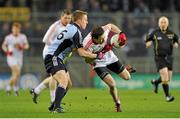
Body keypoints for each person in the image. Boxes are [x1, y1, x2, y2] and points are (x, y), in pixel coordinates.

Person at [44, 10, 104, 113]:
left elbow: (75, 48)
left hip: (56, 57)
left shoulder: (71, 28)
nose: (87, 22)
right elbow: (81, 53)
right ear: (80, 20)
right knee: (63, 81)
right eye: (85, 20)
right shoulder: (76, 32)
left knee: (68, 84)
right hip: (53, 57)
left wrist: (89, 55)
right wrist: (97, 55)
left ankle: (54, 105)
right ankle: (56, 108)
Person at [83, 24, 135, 112]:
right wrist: (96, 56)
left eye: (104, 37)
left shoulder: (104, 31)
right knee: (112, 84)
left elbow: (110, 25)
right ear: (95, 39)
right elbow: (87, 60)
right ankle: (117, 103)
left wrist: (121, 33)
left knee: (127, 77)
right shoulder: (87, 44)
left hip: (109, 56)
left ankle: (125, 70)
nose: (104, 40)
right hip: (98, 63)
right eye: (101, 39)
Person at [30, 9, 72, 104]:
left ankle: (36, 90)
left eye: (69, 18)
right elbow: (46, 39)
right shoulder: (55, 26)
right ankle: (53, 100)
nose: (67, 20)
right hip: (50, 52)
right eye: (65, 18)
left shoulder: (69, 27)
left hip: (59, 55)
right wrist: (57, 47)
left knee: (58, 77)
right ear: (61, 17)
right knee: (55, 76)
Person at [145, 16, 179, 102]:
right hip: (159, 57)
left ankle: (156, 82)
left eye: (165, 22)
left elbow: (177, 40)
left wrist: (176, 43)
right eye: (161, 22)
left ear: (167, 24)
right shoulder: (155, 33)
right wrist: (148, 42)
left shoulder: (172, 33)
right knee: (165, 77)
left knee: (168, 79)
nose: (163, 24)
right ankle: (167, 96)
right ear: (158, 24)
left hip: (169, 57)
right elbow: (147, 38)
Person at [1, 22, 29, 96]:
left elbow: (27, 46)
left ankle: (11, 88)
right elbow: (3, 46)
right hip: (11, 57)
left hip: (19, 58)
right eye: (14, 29)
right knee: (16, 72)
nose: (15, 30)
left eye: (17, 29)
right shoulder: (8, 37)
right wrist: (7, 51)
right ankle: (13, 88)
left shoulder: (23, 37)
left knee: (16, 74)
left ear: (19, 30)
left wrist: (21, 47)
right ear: (12, 29)